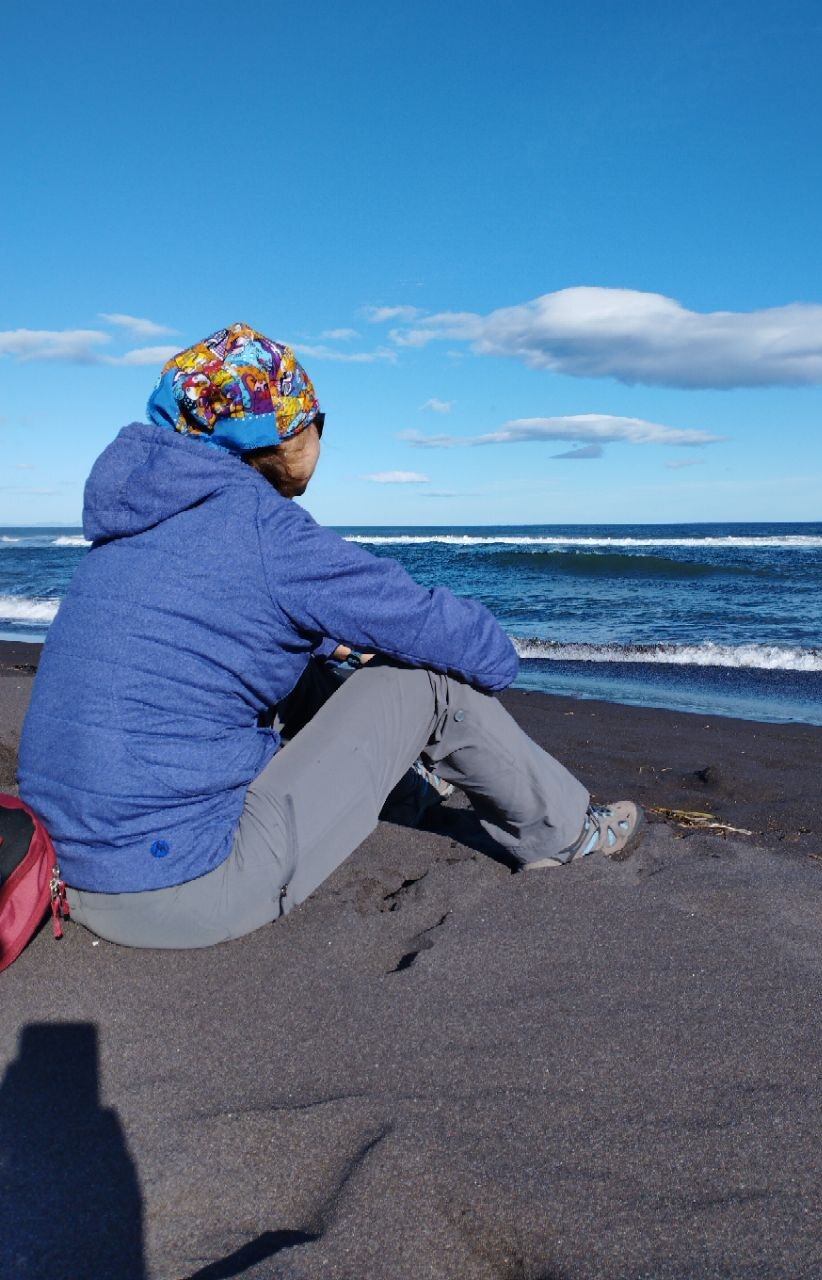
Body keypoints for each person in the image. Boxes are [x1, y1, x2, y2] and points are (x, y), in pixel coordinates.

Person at [16, 324, 644, 949]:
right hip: (181, 886)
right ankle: (567, 834)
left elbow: (215, 619)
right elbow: (477, 649)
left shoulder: (134, 524)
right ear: (283, 433)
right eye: (318, 422)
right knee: (430, 685)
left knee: (300, 666)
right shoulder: (266, 529)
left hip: (61, 866)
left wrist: (325, 640)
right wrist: (479, 645)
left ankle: (403, 794)